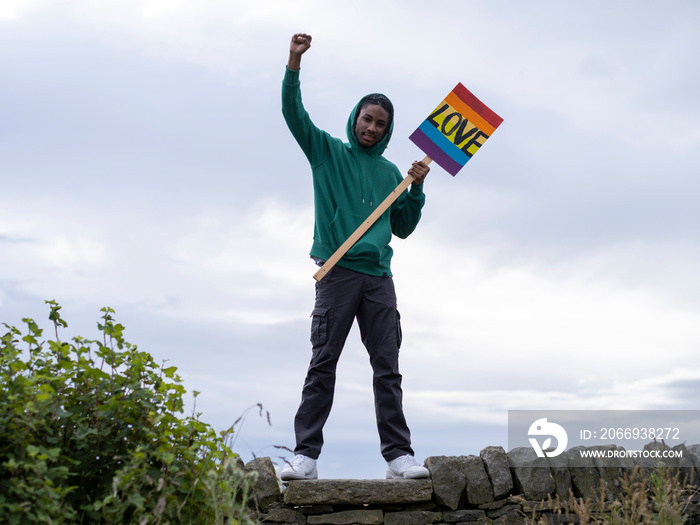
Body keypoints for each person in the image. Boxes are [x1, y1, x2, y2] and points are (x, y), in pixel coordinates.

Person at [279, 33, 431, 481]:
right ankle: (305, 456)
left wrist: (416, 188)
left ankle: (398, 457)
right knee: (323, 363)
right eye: (367, 119)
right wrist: (293, 63)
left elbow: (402, 228)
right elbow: (294, 114)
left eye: (381, 124)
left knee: (388, 368)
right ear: (355, 119)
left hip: (378, 279)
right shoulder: (326, 153)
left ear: (387, 129)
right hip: (338, 274)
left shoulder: (390, 173)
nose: (372, 128)